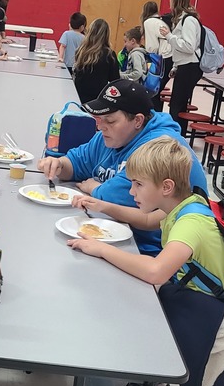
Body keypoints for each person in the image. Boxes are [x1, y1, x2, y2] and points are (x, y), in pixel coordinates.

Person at [67, 137, 224, 386]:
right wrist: (102, 205)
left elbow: (157, 271)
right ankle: (153, 382)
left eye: (138, 184)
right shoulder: (182, 203)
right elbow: (145, 220)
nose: (131, 191)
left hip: (221, 322)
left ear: (166, 187)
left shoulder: (191, 223)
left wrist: (101, 249)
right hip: (194, 298)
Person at [38, 80, 207, 257]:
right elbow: (77, 163)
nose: (101, 126)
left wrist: (95, 188)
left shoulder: (158, 147)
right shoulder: (111, 135)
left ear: (138, 120)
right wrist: (59, 165)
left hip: (150, 249)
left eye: (110, 120)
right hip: (121, 235)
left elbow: (120, 198)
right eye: (99, 119)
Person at [159, 0, 201, 136]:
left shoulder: (189, 20)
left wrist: (169, 36)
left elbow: (189, 47)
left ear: (176, 0)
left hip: (190, 67)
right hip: (184, 65)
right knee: (178, 104)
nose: (169, 1)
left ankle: (176, 138)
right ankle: (177, 135)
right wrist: (176, 66)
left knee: (177, 106)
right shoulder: (182, 18)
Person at [72, 18, 119, 104]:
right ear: (107, 35)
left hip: (78, 95)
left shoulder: (81, 50)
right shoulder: (109, 54)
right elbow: (115, 79)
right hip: (97, 98)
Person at [140, 0, 173, 101]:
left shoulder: (148, 22)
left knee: (152, 88)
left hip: (160, 57)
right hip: (170, 56)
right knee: (158, 88)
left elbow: (152, 46)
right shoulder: (160, 20)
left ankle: (152, 113)